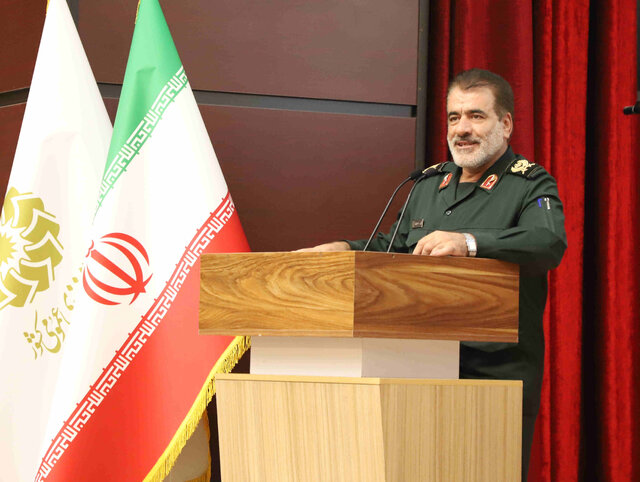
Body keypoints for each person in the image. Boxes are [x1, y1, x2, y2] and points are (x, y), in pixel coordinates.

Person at [298, 68, 567, 481]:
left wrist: (469, 242)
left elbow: (547, 242)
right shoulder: (428, 184)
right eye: (454, 117)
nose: (462, 129)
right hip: (416, 370)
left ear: (506, 124)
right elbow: (393, 248)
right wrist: (344, 249)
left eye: (476, 116)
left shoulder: (529, 183)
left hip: (492, 377)